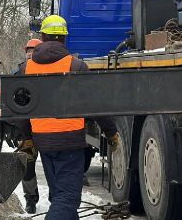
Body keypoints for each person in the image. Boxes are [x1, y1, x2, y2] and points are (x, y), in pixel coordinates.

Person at [19, 15, 117, 219]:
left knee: (61, 197)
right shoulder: (77, 66)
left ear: (43, 37)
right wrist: (111, 132)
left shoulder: (27, 68)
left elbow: (20, 108)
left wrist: (27, 137)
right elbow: (95, 103)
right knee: (67, 198)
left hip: (43, 142)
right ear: (63, 39)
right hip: (70, 142)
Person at [13, 38, 42, 214]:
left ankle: (56, 198)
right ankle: (30, 199)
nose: (30, 54)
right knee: (28, 167)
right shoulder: (19, 73)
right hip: (27, 131)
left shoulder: (48, 73)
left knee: (51, 164)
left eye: (34, 50)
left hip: (46, 128)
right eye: (28, 51)